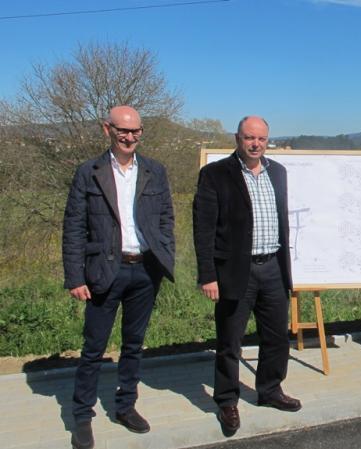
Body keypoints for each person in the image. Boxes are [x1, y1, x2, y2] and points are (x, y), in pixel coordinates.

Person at [62, 105, 175, 449]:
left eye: (135, 131)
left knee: (133, 344)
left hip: (145, 271)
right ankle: (82, 415)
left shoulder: (155, 171)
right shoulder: (89, 172)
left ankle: (126, 406)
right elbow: (74, 227)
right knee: (93, 347)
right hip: (104, 271)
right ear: (107, 129)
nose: (129, 137)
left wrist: (164, 254)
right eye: (123, 130)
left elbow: (166, 218)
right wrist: (75, 277)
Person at [193, 116, 299, 436]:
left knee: (276, 336)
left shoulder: (277, 172)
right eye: (250, 137)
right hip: (235, 271)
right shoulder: (215, 174)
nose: (256, 144)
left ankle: (270, 389)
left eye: (262, 139)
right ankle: (227, 400)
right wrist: (208, 275)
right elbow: (203, 228)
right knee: (230, 341)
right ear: (237, 138)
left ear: (268, 140)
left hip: (274, 267)